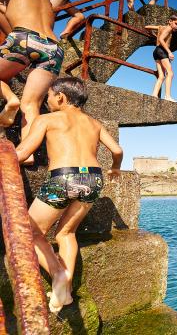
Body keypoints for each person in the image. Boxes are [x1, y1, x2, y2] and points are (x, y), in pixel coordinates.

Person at [15, 77, 123, 314]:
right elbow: (117, 150)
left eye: (49, 97)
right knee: (66, 232)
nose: (47, 102)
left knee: (29, 232)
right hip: (93, 179)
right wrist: (115, 168)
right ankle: (66, 294)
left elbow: (22, 152)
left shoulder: (47, 119)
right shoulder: (94, 123)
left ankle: (59, 274)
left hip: (63, 178)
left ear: (61, 97)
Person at [0, 0, 62, 164]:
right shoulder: (46, 2)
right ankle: (27, 154)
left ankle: (10, 99)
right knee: (32, 104)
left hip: (24, 37)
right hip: (53, 47)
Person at [145, 15, 177, 101]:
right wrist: (169, 52)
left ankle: (154, 95)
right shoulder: (168, 29)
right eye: (176, 24)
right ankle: (167, 96)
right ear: (170, 21)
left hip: (156, 51)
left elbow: (147, 27)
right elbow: (161, 39)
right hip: (162, 51)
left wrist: (153, 35)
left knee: (161, 76)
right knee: (170, 73)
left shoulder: (160, 27)